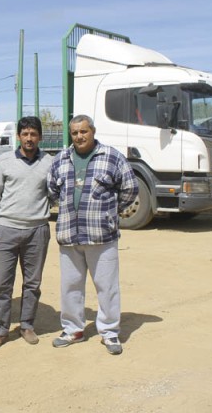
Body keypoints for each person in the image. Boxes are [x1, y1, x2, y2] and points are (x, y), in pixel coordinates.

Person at [47, 114, 138, 355]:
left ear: (93, 131)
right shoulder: (60, 159)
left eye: (83, 131)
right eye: (75, 132)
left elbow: (130, 187)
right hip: (69, 234)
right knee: (70, 286)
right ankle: (73, 329)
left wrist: (110, 212)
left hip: (101, 235)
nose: (79, 136)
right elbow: (52, 190)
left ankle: (109, 332)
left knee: (106, 286)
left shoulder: (111, 156)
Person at [0, 116, 53, 351]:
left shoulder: (49, 162)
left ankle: (27, 326)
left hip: (38, 231)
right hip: (6, 230)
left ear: (40, 137)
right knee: (1, 284)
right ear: (18, 137)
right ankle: (0, 330)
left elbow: (55, 194)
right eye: (25, 134)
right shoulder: (4, 162)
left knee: (32, 283)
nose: (29, 138)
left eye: (34, 134)